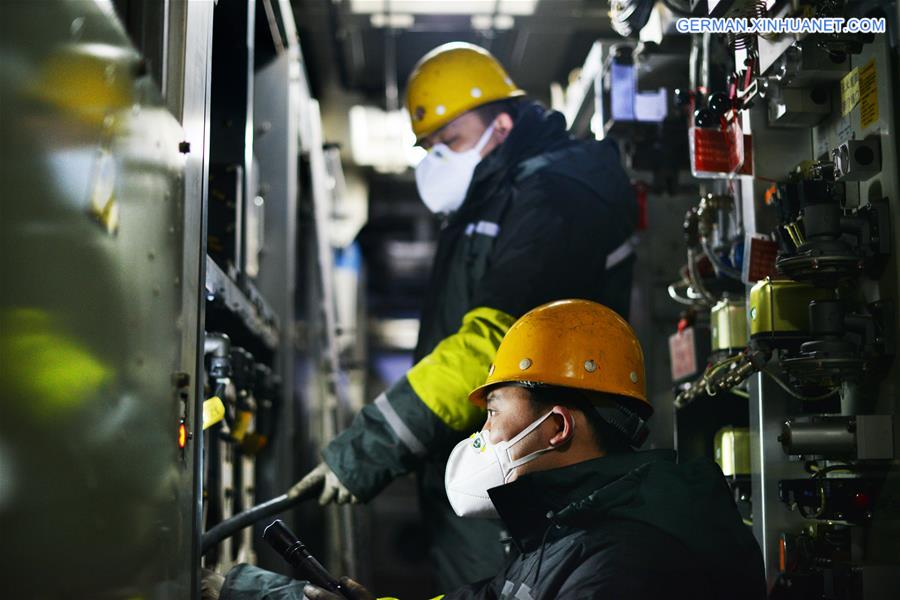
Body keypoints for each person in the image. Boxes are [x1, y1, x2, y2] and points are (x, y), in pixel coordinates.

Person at [290, 41, 639, 588]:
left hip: (526, 480)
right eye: (428, 148)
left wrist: (370, 447)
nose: (436, 160)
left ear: (501, 127)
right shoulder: (494, 199)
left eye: (449, 141)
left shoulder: (554, 194)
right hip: (491, 478)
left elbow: (493, 346)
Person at [210, 300, 766, 600]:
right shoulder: (568, 532)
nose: (482, 434)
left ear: (556, 429)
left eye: (495, 412)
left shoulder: (623, 565)